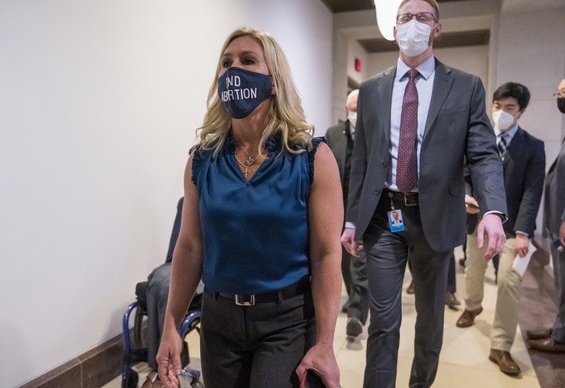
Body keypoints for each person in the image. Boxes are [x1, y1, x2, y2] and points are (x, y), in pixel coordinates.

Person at [155, 27, 343, 388]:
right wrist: (170, 326)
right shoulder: (202, 160)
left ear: (274, 81)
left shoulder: (311, 157)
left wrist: (324, 343)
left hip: (285, 320)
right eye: (226, 63)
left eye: (248, 60)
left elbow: (325, 255)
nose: (233, 70)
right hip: (218, 320)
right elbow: (191, 246)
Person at [340, 1, 507, 387]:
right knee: (384, 320)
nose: (413, 24)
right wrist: (351, 219)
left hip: (436, 217)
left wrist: (493, 209)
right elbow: (361, 162)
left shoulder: (465, 86)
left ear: (437, 28)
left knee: (430, 324)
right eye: (405, 18)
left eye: (423, 17)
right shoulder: (371, 90)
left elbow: (482, 154)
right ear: (394, 28)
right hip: (385, 217)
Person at [457, 82, 545, 375]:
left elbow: (533, 192)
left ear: (521, 112)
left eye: (509, 108)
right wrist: (466, 193)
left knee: (509, 280)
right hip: (478, 220)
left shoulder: (533, 147)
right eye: (497, 106)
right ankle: (472, 306)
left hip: (513, 228)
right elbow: (466, 173)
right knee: (473, 270)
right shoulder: (479, 141)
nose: (501, 113)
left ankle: (501, 346)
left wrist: (523, 233)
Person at [326, 89, 370, 341]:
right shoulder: (334, 134)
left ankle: (356, 312)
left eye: (358, 108)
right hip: (337, 205)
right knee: (343, 257)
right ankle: (355, 296)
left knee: (359, 257)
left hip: (362, 205)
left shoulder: (373, 133)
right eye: (351, 109)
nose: (355, 113)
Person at [527, 77, 565, 354]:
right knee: (561, 281)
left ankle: (562, 337)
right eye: (559, 92)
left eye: (564, 92)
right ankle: (560, 327)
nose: (560, 97)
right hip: (558, 222)